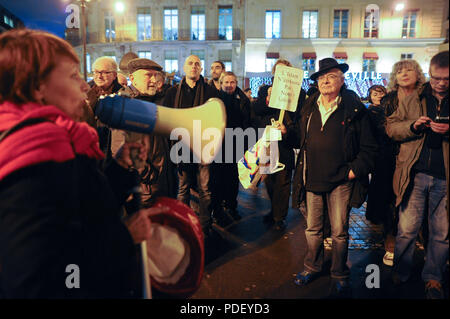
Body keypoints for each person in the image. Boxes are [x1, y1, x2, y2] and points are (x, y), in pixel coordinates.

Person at [0, 29, 168, 298]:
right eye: (72, 75)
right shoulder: (34, 156)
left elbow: (86, 207)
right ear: (37, 87)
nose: (84, 85)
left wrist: (122, 166)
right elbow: (38, 280)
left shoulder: (59, 139)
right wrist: (123, 238)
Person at [291, 58, 378, 295]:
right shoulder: (309, 106)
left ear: (342, 80)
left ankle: (339, 272)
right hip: (312, 179)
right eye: (321, 77)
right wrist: (284, 132)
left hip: (341, 181)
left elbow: (369, 147)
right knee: (313, 229)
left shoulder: (354, 108)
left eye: (331, 76)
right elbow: (300, 139)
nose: (325, 81)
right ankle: (312, 265)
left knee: (339, 232)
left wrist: (353, 171)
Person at [386, 50, 449, 299]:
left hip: (445, 178)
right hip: (415, 173)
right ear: (430, 74)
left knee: (441, 233)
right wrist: (413, 126)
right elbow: (392, 127)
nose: (441, 84)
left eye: (446, 79)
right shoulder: (417, 97)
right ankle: (400, 272)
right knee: (407, 229)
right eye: (436, 78)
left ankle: (433, 278)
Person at [375, 59, 427, 266]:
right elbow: (385, 130)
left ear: (418, 74)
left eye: (409, 70)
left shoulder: (426, 97)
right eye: (399, 71)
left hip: (418, 157)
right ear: (394, 77)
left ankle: (417, 238)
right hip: (390, 158)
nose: (404, 74)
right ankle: (391, 242)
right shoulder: (389, 100)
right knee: (392, 203)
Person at [163, 55, 218, 238]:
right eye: (190, 63)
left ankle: (204, 226)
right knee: (183, 188)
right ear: (184, 68)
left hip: (203, 147)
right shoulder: (172, 93)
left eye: (197, 64)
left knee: (205, 190)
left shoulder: (210, 92)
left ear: (201, 69)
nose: (194, 66)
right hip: (181, 147)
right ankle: (183, 224)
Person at [116, 58, 177, 207]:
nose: (154, 80)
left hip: (162, 186)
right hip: (145, 191)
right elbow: (119, 148)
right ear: (132, 79)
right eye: (148, 75)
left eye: (156, 75)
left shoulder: (156, 101)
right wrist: (150, 176)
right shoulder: (123, 104)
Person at [213, 71, 251, 225]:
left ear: (236, 83)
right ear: (221, 84)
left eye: (232, 82)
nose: (229, 85)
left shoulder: (243, 100)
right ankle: (218, 210)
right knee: (217, 179)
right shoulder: (215, 100)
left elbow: (248, 122)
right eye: (226, 82)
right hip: (218, 145)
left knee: (232, 179)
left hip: (236, 143)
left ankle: (231, 207)